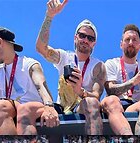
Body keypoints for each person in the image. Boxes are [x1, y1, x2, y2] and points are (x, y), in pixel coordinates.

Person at [36, 0, 106, 135]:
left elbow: (96, 97)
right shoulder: (64, 57)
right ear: (75, 37)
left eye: (90, 38)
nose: (85, 40)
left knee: (91, 103)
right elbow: (41, 48)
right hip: (61, 107)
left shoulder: (98, 66)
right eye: (82, 36)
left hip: (81, 106)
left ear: (94, 43)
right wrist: (49, 16)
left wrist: (79, 90)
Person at [0, 26, 59, 135]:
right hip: (13, 108)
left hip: (35, 107)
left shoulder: (29, 64)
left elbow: (41, 85)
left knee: (24, 109)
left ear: (0, 42)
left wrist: (49, 106)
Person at [104, 24, 140, 135]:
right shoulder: (112, 63)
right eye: (127, 40)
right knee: (111, 100)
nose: (130, 43)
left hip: (135, 106)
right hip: (116, 106)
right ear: (121, 44)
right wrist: (135, 80)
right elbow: (110, 90)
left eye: (134, 40)